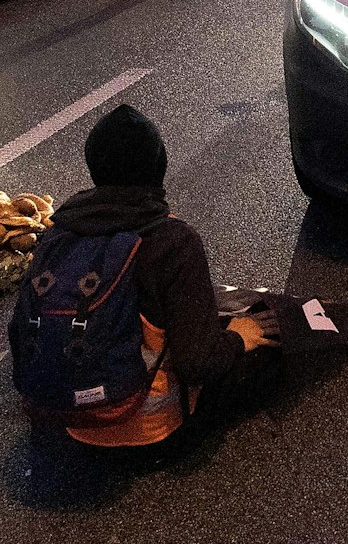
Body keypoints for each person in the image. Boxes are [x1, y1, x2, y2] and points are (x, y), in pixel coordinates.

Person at [19, 104, 276, 448]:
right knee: (264, 349)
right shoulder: (173, 241)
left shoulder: (56, 235)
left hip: (68, 425)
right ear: (159, 166)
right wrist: (239, 338)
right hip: (149, 432)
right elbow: (198, 365)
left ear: (94, 167)